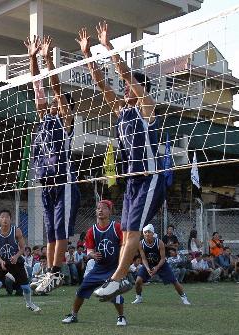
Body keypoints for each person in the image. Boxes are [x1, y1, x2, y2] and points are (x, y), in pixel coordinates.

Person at [76, 22, 164, 299]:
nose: (125, 90)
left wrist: (108, 46)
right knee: (126, 232)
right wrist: (87, 54)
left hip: (150, 176)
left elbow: (124, 74)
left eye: (129, 87)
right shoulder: (120, 110)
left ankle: (117, 277)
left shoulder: (146, 106)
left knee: (134, 229)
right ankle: (120, 278)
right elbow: (101, 83)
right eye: (125, 88)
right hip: (131, 180)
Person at [25, 35, 80, 294]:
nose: (55, 103)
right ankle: (49, 273)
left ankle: (56, 274)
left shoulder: (66, 120)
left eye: (60, 102)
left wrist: (48, 59)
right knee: (49, 233)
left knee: (59, 233)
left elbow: (55, 88)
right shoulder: (43, 118)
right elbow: (38, 86)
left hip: (63, 183)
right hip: (45, 184)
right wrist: (32, 58)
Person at [62, 200, 126, 326]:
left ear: (110, 211)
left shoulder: (117, 227)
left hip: (114, 268)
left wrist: (122, 267)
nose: (100, 210)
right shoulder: (91, 231)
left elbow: (124, 246)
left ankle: (121, 317)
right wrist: (92, 254)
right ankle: (73, 315)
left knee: (114, 292)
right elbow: (89, 250)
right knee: (81, 290)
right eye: (98, 208)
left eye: (104, 208)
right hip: (99, 268)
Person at [0, 209, 40, 317]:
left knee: (25, 287)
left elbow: (23, 247)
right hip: (1, 262)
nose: (5, 219)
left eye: (7, 217)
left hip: (16, 261)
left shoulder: (16, 231)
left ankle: (29, 304)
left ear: (11, 219)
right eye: (2, 217)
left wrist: (16, 256)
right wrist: (1, 261)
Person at [132, 224, 190, 305]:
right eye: (145, 232)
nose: (147, 234)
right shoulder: (140, 243)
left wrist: (156, 268)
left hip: (161, 264)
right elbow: (144, 258)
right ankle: (139, 297)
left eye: (149, 232)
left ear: (153, 233)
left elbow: (163, 258)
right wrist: (148, 268)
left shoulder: (159, 242)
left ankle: (184, 298)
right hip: (148, 264)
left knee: (174, 281)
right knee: (138, 281)